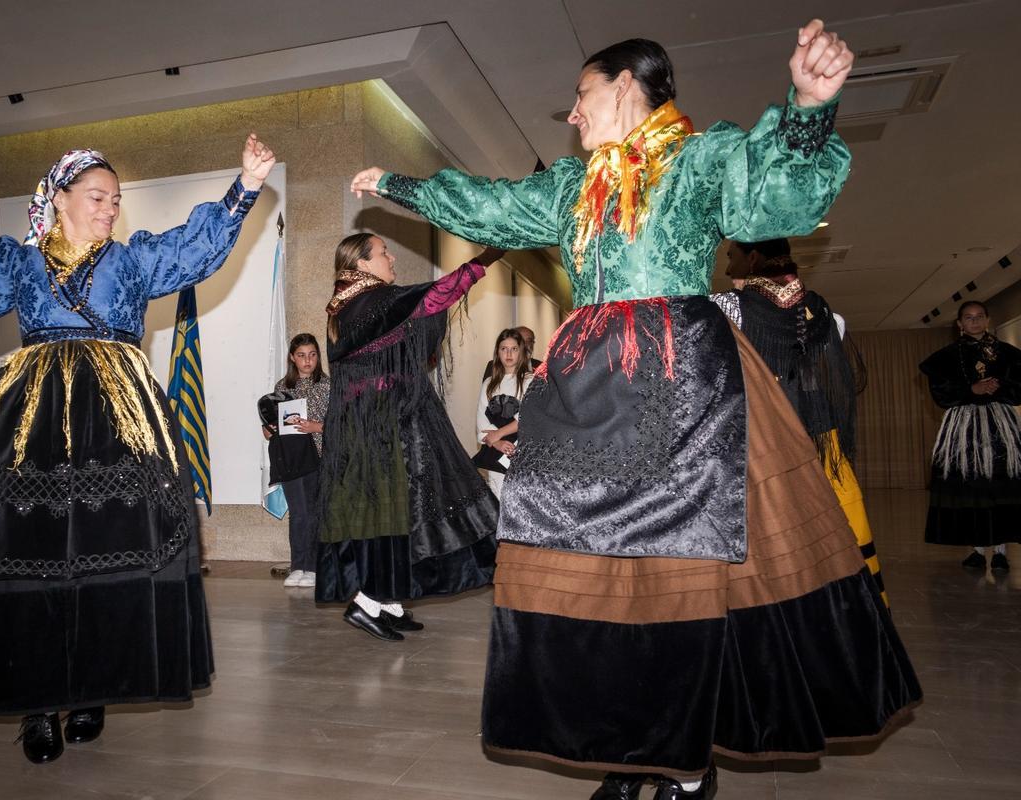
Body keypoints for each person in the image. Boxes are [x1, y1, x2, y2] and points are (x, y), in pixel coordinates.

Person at [352, 21, 919, 799]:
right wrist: (400, 185)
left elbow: (769, 199)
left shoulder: (698, 157)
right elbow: (492, 205)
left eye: (581, 96)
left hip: (679, 379)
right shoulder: (569, 188)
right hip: (587, 384)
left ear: (624, 85)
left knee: (678, 568)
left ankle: (684, 764)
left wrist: (809, 108)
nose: (573, 114)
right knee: (596, 568)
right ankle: (630, 750)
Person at [0, 134, 276, 763]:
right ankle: (38, 703)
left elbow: (191, 250)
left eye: (115, 200)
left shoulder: (132, 261)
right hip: (31, 418)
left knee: (108, 550)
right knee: (28, 550)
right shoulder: (20, 264)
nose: (109, 208)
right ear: (58, 199)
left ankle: (91, 686)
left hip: (119, 421)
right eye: (96, 196)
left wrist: (245, 186)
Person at [316, 233, 502, 641]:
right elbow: (431, 298)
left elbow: (411, 320)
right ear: (362, 263)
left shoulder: (353, 303)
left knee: (403, 513)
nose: (392, 258)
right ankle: (367, 603)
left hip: (379, 424)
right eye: (384, 253)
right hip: (378, 431)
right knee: (393, 513)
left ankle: (389, 601)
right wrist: (485, 258)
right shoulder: (365, 303)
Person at [714, 239, 886, 606]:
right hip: (816, 432)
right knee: (827, 516)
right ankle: (843, 602)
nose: (728, 270)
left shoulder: (723, 307)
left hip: (758, 433)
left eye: (732, 258)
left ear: (753, 258)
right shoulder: (824, 313)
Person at [920, 300, 1021, 574]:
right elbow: (941, 393)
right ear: (960, 324)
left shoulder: (1009, 354)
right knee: (971, 485)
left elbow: (1019, 387)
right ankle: (977, 551)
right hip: (963, 426)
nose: (974, 322)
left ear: (987, 320)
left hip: (1000, 426)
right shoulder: (946, 356)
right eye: (968, 317)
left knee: (1000, 484)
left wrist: (996, 388)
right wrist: (971, 390)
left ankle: (1000, 552)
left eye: (979, 317)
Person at [261, 332, 330, 588]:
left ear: (318, 357)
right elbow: (273, 424)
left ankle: (312, 567)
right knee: (298, 513)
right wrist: (268, 430)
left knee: (313, 512)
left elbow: (340, 423)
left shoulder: (327, 385)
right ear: (292, 357)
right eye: (301, 355)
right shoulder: (282, 387)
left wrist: (317, 426)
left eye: (312, 355)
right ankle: (297, 565)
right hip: (290, 458)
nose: (307, 360)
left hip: (317, 456)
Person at [474, 328, 534, 498]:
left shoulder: (530, 381)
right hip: (496, 453)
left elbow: (527, 417)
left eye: (514, 349)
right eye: (503, 348)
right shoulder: (489, 383)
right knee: (497, 499)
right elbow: (481, 421)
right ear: (497, 352)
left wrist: (499, 434)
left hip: (523, 452)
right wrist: (497, 443)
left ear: (521, 351)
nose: (508, 353)